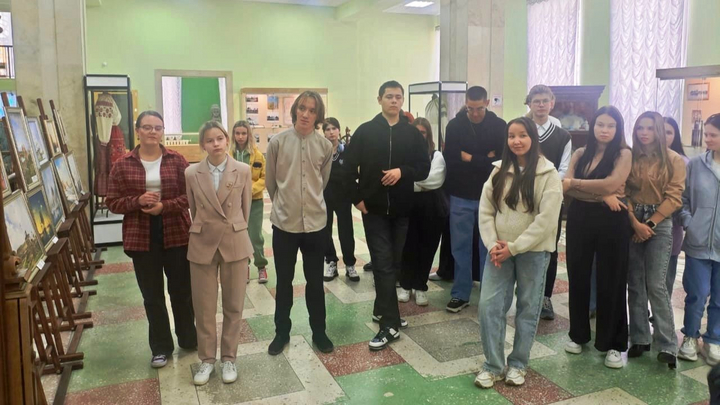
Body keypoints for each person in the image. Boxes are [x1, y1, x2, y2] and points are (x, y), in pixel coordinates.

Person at [475, 117, 562, 388]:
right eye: (511, 136)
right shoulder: (498, 171)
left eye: (522, 135)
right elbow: (486, 211)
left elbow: (546, 221)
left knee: (528, 308)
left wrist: (514, 247)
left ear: (533, 138)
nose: (516, 141)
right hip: (499, 251)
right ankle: (493, 365)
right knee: (489, 306)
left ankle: (518, 363)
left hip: (533, 252)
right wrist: (493, 244)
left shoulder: (549, 174)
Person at [342, 80, 430, 350]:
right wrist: (357, 199)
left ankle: (382, 309)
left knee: (394, 263)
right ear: (379, 99)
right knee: (382, 264)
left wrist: (402, 171)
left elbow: (423, 168)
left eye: (398, 97)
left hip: (402, 210)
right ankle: (390, 325)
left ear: (402, 101)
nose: (394, 101)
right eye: (389, 96)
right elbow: (347, 168)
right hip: (375, 211)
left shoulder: (412, 134)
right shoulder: (366, 132)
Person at [106, 110, 197, 369]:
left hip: (176, 232)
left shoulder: (177, 161)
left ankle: (188, 339)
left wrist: (164, 206)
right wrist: (138, 200)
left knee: (181, 291)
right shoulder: (122, 164)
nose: (153, 131)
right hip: (141, 237)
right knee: (152, 296)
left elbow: (190, 196)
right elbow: (112, 202)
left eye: (158, 127)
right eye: (147, 127)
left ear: (163, 131)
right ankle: (160, 347)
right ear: (137, 131)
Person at [562, 106, 632, 369]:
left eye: (611, 126)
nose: (605, 130)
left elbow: (610, 183)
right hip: (580, 217)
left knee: (612, 279)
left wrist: (580, 185)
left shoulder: (623, 154)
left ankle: (613, 344)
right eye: (600, 124)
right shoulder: (580, 153)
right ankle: (578, 335)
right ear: (592, 126)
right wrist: (602, 195)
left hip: (612, 219)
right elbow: (566, 187)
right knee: (578, 275)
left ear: (618, 129)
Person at [265, 90, 334, 355]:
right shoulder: (278, 142)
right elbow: (271, 182)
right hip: (285, 224)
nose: (306, 114)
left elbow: (322, 182)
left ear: (318, 116)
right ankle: (281, 332)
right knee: (284, 282)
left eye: (312, 110)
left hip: (316, 225)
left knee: (315, 282)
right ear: (295, 110)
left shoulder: (325, 146)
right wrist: (286, 204)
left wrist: (309, 202)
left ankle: (320, 332)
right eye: (302, 108)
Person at [186, 121, 253, 386]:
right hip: (202, 241)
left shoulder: (243, 170)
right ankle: (206, 360)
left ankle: (229, 358)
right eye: (209, 140)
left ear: (227, 140)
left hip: (234, 240)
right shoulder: (191, 173)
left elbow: (245, 209)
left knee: (234, 304)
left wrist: (235, 229)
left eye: (220, 138)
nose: (215, 144)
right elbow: (193, 209)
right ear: (203, 144)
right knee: (203, 306)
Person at [626, 111, 686, 369]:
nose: (644, 133)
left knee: (656, 284)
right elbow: (624, 192)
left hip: (660, 222)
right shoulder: (630, 156)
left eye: (650, 128)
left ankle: (667, 344)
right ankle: (639, 338)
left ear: (659, 130)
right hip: (633, 218)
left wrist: (649, 224)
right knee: (635, 281)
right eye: (640, 127)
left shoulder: (673, 160)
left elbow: (675, 197)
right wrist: (635, 223)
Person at [443, 86, 506, 313]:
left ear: (487, 103)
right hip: (460, 193)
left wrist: (469, 157)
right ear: (466, 104)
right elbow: (451, 158)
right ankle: (461, 293)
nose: (475, 113)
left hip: (490, 196)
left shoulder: (500, 126)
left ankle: (487, 294)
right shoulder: (454, 126)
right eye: (471, 108)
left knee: (488, 246)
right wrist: (485, 158)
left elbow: (501, 161)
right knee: (460, 246)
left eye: (479, 108)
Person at [526, 85, 572, 321]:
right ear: (530, 104)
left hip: (551, 200)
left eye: (545, 101)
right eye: (537, 101)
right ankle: (526, 294)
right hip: (524, 198)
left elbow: (564, 170)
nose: (541, 105)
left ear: (552, 103)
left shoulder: (563, 136)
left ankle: (545, 296)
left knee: (549, 249)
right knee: (523, 246)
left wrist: (547, 190)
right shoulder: (522, 131)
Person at [678, 113, 720, 365]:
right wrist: (689, 223)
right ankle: (690, 337)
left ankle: (714, 339)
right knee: (697, 293)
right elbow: (683, 200)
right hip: (698, 241)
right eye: (707, 134)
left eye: (713, 135)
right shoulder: (695, 165)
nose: (707, 139)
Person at [398, 117, 446, 306]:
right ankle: (405, 285)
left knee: (427, 248)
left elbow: (434, 180)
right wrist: (415, 182)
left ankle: (420, 286)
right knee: (407, 247)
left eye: (423, 132)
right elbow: (402, 178)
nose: (419, 135)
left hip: (431, 209)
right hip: (408, 207)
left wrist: (410, 182)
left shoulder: (436, 156)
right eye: (416, 132)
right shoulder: (403, 155)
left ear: (428, 135)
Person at [321, 117, 359, 282]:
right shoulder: (320, 151)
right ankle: (331, 261)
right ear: (324, 133)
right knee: (325, 230)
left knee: (346, 231)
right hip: (325, 196)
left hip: (343, 197)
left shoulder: (347, 151)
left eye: (334, 129)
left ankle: (350, 264)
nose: (331, 132)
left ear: (339, 130)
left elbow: (354, 173)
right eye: (328, 129)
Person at [232, 120, 269, 284]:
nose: (240, 137)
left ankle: (261, 266)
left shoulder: (257, 155)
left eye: (243, 133)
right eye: (237, 133)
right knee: (239, 235)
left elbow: (264, 178)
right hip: (235, 202)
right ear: (233, 135)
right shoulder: (229, 155)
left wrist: (249, 189)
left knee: (255, 235)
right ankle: (244, 266)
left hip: (255, 201)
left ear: (248, 135)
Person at [664, 117, 688, 296]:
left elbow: (685, 197)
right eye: (661, 131)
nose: (664, 136)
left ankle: (661, 310)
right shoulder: (641, 158)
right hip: (643, 226)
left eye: (669, 132)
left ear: (675, 135)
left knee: (666, 278)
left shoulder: (684, 162)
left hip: (672, 225)